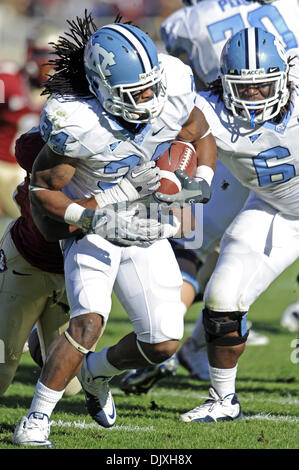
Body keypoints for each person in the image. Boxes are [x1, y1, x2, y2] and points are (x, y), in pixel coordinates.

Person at [12, 12, 216, 447]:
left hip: (146, 224)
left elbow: (201, 132)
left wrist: (201, 181)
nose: (149, 99)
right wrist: (91, 216)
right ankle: (36, 419)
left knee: (163, 343)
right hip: (93, 226)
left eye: (152, 86)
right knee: (88, 321)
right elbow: (43, 193)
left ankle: (96, 373)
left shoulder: (172, 92)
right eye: (135, 92)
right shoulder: (79, 123)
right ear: (103, 89)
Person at [178, 26, 299, 422]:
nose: (253, 96)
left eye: (263, 87)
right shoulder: (209, 109)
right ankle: (223, 400)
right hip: (275, 210)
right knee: (222, 296)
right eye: (243, 88)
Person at [0, 25, 59, 223]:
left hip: (31, 172)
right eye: (44, 53)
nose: (49, 62)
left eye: (55, 55)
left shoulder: (66, 95)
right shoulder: (8, 81)